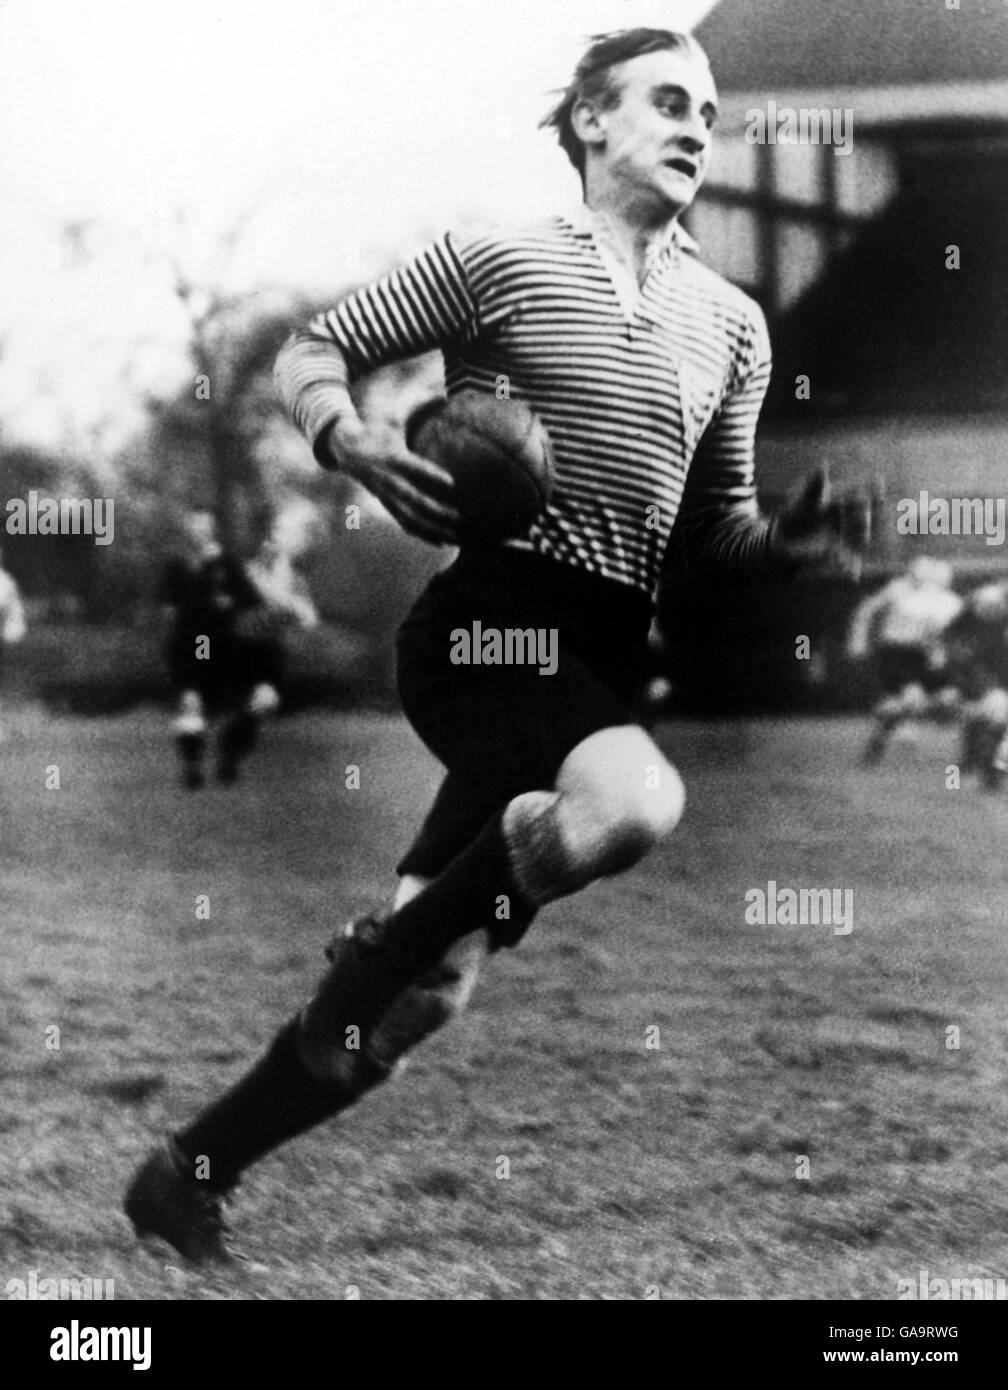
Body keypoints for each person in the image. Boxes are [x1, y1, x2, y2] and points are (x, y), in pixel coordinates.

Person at [125, 28, 858, 1262]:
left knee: (419, 1004)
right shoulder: (500, 259)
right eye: (668, 102)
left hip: (599, 655)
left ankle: (188, 1169)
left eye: (710, 113)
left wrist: (783, 544)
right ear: (590, 121)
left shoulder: (732, 324)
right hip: (484, 628)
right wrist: (345, 438)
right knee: (633, 802)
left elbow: (710, 532)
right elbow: (318, 347)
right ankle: (383, 947)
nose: (695, 127)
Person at [160, 510, 283, 788]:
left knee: (257, 704)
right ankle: (191, 769)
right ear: (187, 530)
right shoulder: (177, 566)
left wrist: (233, 603)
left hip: (225, 647)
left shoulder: (228, 564)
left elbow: (252, 601)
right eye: (193, 525)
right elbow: (167, 608)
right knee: (191, 704)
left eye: (203, 526)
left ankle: (229, 757)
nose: (198, 531)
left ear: (212, 529)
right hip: (189, 647)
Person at [846, 557, 962, 764]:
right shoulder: (898, 589)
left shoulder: (943, 599)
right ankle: (889, 732)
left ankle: (890, 727)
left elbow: (937, 632)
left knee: (942, 698)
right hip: (895, 652)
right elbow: (867, 610)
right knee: (911, 698)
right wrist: (858, 640)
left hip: (920, 654)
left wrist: (938, 652)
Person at [944, 579, 1008, 789]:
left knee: (989, 719)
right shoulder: (984, 607)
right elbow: (952, 635)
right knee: (984, 717)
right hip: (983, 674)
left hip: (992, 674)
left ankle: (985, 772)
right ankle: (981, 771)